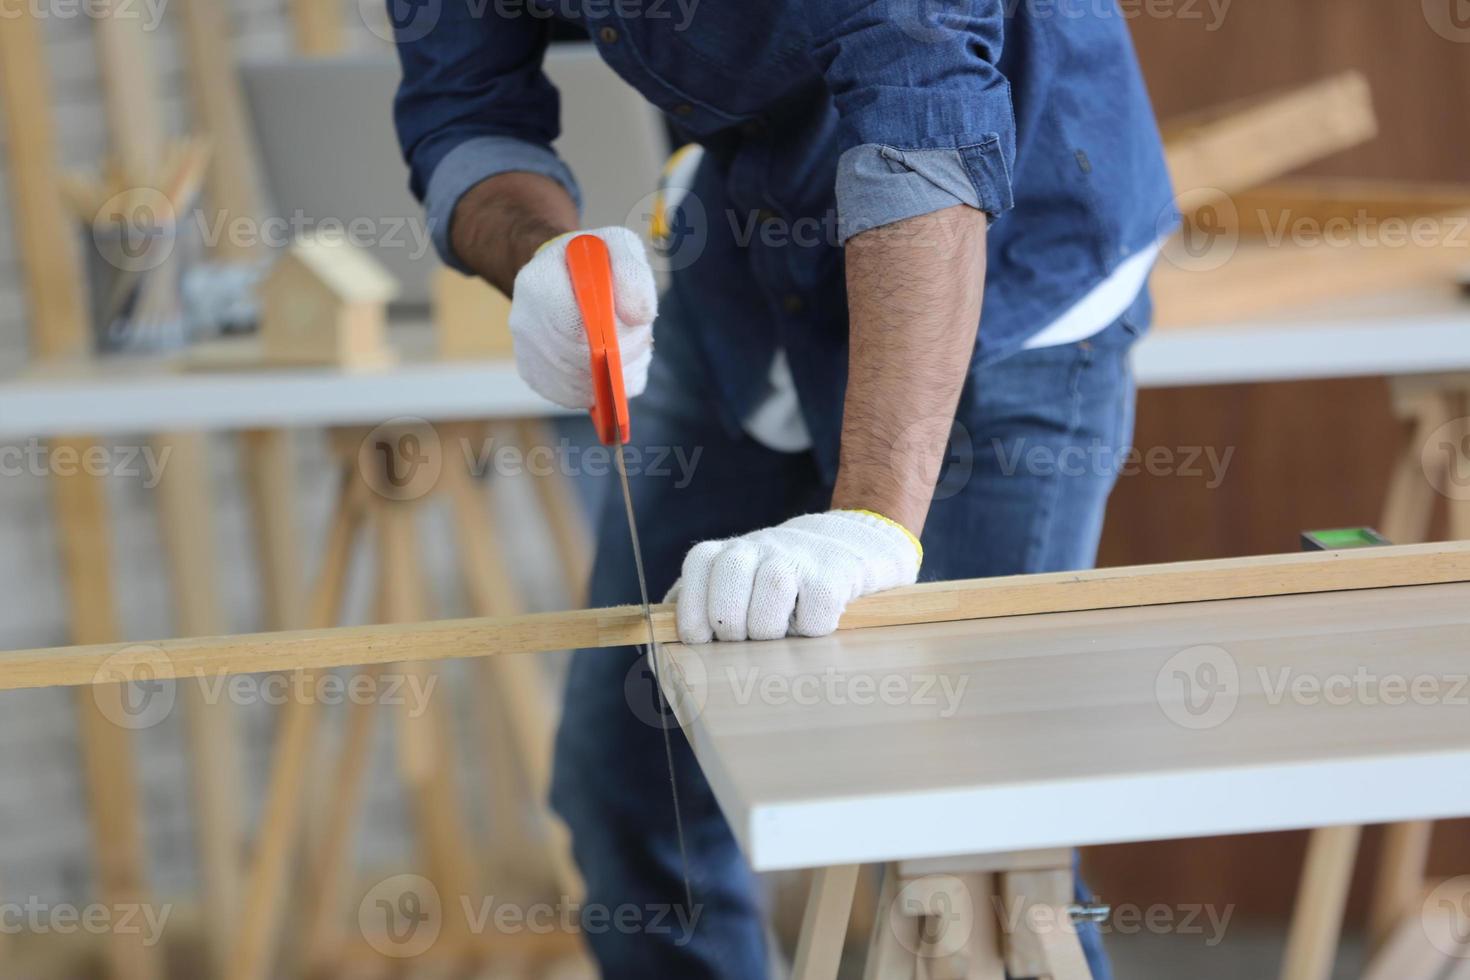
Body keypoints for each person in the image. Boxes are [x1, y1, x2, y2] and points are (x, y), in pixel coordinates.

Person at [394, 3, 1175, 976]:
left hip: (1013, 261)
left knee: (971, 850)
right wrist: (544, 255)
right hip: (749, 253)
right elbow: (465, 109)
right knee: (629, 789)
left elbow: (922, 128)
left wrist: (870, 520)